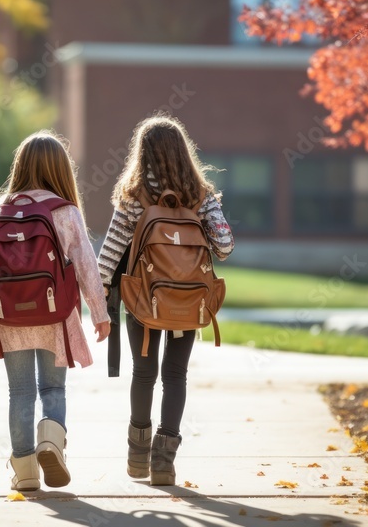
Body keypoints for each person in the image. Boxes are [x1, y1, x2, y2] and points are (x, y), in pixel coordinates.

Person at [0, 131, 111, 491]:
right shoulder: (65, 211)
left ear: (20, 167)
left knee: (21, 392)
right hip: (55, 315)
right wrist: (100, 314)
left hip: (10, 319)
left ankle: (25, 471)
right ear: (62, 170)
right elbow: (89, 268)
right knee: (53, 390)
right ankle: (51, 442)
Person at [96, 115, 233, 486]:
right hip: (188, 301)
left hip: (143, 297)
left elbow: (109, 253)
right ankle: (164, 462)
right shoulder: (200, 196)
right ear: (183, 152)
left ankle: (137, 457)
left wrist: (99, 293)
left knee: (144, 373)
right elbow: (224, 246)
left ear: (142, 154)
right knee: (176, 375)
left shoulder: (132, 196)